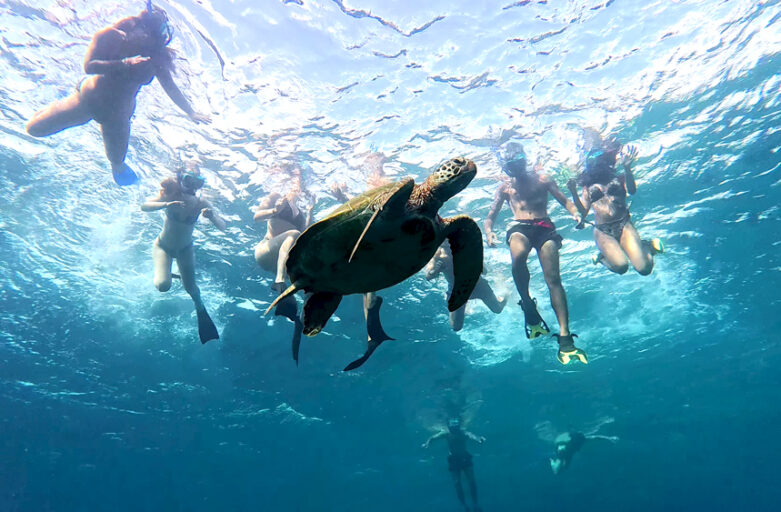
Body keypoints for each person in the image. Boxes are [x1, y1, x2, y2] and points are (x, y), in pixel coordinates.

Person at [26, 1, 209, 186]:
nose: (146, 38)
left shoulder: (156, 57)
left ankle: (121, 169)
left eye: (153, 35)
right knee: (34, 129)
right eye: (146, 31)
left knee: (117, 163)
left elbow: (170, 87)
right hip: (88, 100)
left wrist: (190, 111)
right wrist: (124, 64)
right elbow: (89, 67)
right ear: (138, 24)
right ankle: (59, 100)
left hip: (117, 116)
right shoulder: (111, 36)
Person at [484, 141, 587, 365]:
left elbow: (565, 201)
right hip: (518, 226)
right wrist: (489, 232)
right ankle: (527, 303)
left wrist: (575, 214)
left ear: (525, 159)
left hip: (544, 227)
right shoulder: (505, 187)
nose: (517, 168)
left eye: (519, 162)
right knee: (518, 259)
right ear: (507, 167)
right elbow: (491, 215)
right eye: (512, 165)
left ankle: (565, 335)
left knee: (554, 279)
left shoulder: (543, 179)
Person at [140, 164, 226, 343]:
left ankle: (200, 307)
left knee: (192, 290)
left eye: (198, 182)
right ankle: (170, 273)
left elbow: (223, 226)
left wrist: (211, 217)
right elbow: (144, 206)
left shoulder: (202, 203)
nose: (193, 186)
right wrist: (165, 204)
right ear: (181, 179)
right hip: (163, 246)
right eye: (189, 180)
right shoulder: (171, 194)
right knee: (163, 286)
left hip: (185, 250)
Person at [329, 150, 394, 371]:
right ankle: (371, 335)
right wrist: (342, 197)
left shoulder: (382, 182)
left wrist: (342, 198)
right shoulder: (377, 184)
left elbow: (373, 210)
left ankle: (372, 332)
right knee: (368, 288)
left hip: (380, 240)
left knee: (368, 285)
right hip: (376, 241)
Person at [567, 140, 663, 275]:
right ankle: (602, 258)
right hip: (603, 231)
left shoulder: (619, 178)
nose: (597, 164)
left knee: (644, 269)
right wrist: (573, 193)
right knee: (621, 267)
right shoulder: (587, 187)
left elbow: (632, 190)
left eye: (600, 159)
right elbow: (583, 211)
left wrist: (627, 169)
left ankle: (648, 247)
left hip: (624, 225)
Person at [254, 172, 313, 363]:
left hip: (285, 259)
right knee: (293, 233)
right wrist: (274, 210)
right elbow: (256, 216)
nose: (297, 186)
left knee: (315, 273)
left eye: (300, 182)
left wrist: (311, 211)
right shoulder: (273, 197)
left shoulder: (300, 211)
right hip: (266, 252)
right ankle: (279, 281)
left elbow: (304, 234)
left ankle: (301, 317)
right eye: (294, 181)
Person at [425, 242, 507, 331]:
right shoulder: (437, 255)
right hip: (457, 291)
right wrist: (434, 271)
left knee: (497, 310)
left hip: (478, 286)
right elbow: (428, 276)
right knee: (456, 327)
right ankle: (460, 305)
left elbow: (485, 271)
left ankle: (506, 294)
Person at [422, 417, 484, 512]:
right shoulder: (446, 434)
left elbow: (471, 435)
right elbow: (433, 438)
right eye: (452, 423)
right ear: (448, 424)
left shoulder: (462, 432)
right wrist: (427, 443)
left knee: (471, 482)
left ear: (459, 424)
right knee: (457, 483)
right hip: (455, 460)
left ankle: (475, 503)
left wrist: (478, 439)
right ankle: (464, 505)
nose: (454, 425)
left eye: (456, 422)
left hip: (464, 458)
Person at [549, 429, 619, 474]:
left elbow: (596, 438)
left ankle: (554, 462)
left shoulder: (580, 440)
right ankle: (551, 461)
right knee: (560, 469)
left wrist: (609, 438)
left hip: (569, 450)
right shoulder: (568, 443)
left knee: (564, 467)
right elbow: (596, 438)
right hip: (566, 450)